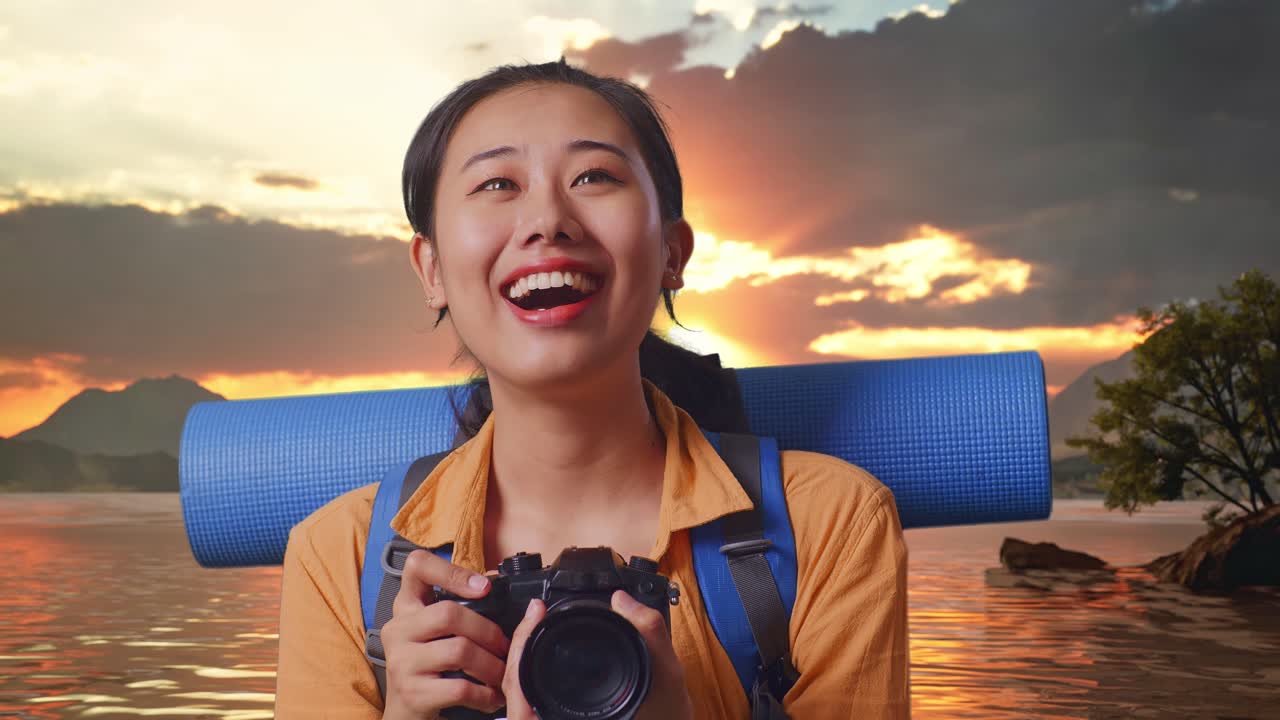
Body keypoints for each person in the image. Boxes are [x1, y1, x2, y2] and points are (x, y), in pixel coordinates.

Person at [273, 58, 910, 719]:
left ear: (671, 252)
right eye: (497, 183)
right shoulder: (341, 558)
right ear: (431, 268)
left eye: (594, 176)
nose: (548, 219)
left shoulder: (831, 523)